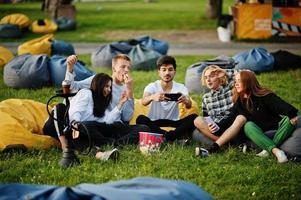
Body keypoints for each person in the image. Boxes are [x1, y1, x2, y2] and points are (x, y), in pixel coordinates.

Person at [230, 70, 298, 163]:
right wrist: (216, 127)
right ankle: (277, 151)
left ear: (248, 81)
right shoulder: (239, 103)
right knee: (248, 125)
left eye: (239, 81)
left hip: (277, 130)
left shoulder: (265, 95)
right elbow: (229, 119)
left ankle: (268, 150)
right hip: (258, 135)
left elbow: (282, 105)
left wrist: (292, 114)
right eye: (235, 81)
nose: (236, 84)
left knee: (289, 118)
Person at [136, 55, 198, 142]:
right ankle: (171, 136)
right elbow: (143, 101)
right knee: (140, 119)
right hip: (155, 121)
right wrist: (153, 97)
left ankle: (166, 137)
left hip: (174, 122)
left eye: (170, 69)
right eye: (164, 70)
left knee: (194, 117)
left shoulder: (181, 87)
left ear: (175, 71)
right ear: (159, 72)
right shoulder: (152, 86)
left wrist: (186, 100)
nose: (167, 73)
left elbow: (189, 106)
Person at [194, 65, 246, 153]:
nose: (208, 80)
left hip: (233, 124)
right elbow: (207, 118)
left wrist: (224, 72)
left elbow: (247, 74)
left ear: (219, 76)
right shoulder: (206, 98)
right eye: (206, 77)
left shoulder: (231, 86)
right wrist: (210, 126)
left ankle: (219, 145)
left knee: (241, 118)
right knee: (197, 120)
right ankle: (226, 144)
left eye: (211, 76)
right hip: (217, 128)